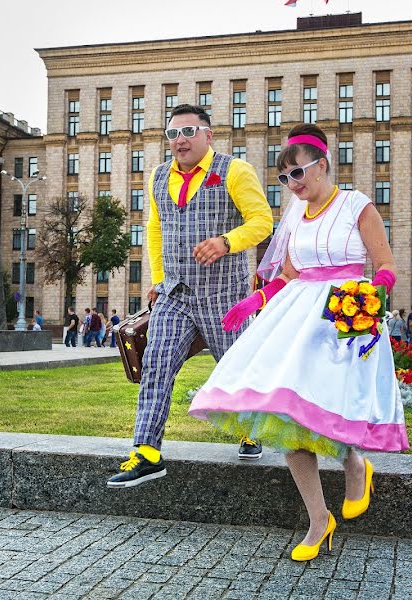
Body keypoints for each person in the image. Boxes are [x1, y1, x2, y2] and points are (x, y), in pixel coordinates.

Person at [189, 123, 407, 562]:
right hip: (297, 321)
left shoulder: (356, 206)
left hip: (345, 319)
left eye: (298, 173)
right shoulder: (294, 217)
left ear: (322, 165)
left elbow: (384, 263)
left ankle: (355, 465)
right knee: (285, 414)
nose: (292, 184)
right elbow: (288, 276)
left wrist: (376, 292)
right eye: (285, 178)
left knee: (335, 408)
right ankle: (318, 519)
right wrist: (254, 300)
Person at [107, 104, 273, 488]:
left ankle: (252, 429)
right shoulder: (158, 176)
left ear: (208, 135)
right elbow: (154, 228)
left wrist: (225, 242)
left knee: (237, 369)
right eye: (172, 134)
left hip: (223, 295)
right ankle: (147, 453)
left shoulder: (234, 170)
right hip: (175, 294)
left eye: (188, 132)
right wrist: (159, 278)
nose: (179, 141)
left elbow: (262, 220)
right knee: (156, 365)